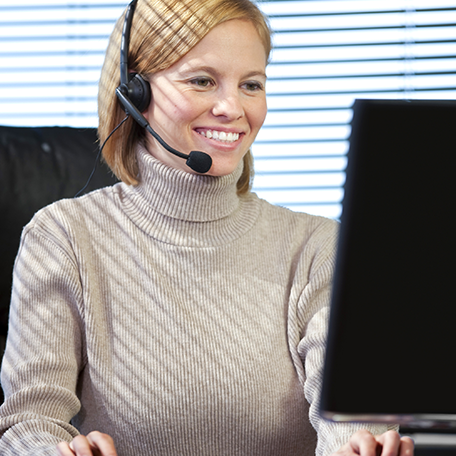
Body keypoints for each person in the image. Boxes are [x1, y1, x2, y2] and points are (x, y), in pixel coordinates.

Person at [0, 0, 414, 455]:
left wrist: (360, 447)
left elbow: (348, 421)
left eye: (251, 84)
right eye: (202, 80)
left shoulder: (320, 248)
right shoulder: (64, 238)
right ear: (134, 92)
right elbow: (30, 420)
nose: (233, 108)